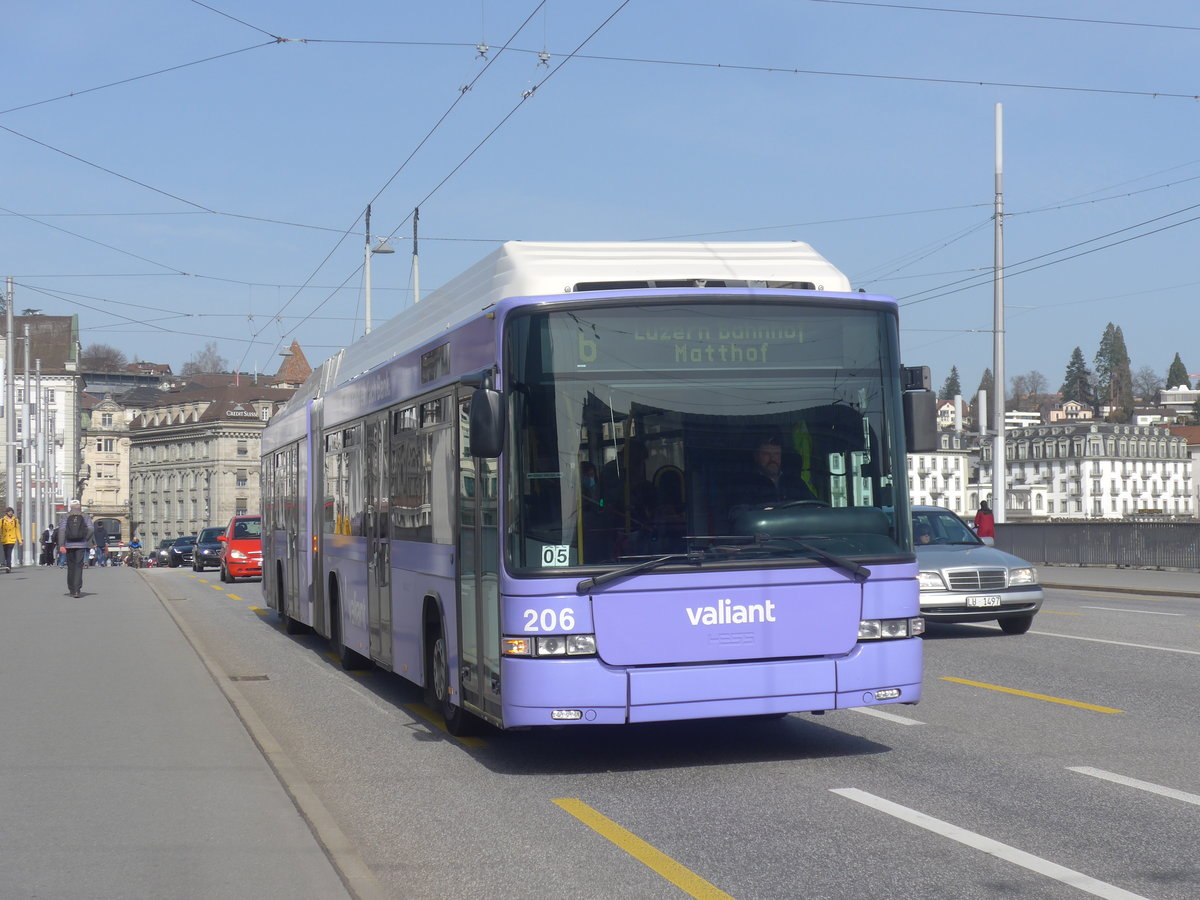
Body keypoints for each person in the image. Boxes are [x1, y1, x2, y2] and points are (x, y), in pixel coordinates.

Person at [738, 435, 817, 507]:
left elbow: (817, 507)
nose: (772, 459)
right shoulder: (746, 486)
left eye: (776, 454)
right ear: (756, 456)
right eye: (766, 454)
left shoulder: (796, 484)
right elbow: (737, 514)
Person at [56, 499, 94, 598]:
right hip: (81, 545)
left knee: (71, 566)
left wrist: (61, 545)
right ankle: (77, 590)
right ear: (79, 506)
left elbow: (62, 530)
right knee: (78, 566)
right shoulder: (85, 516)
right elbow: (90, 528)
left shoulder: (65, 516)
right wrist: (85, 538)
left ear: (70, 507)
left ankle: (72, 589)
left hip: (68, 545)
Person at [0, 507, 22, 573]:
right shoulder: (2, 520)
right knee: (6, 553)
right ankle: (7, 564)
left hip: (12, 539)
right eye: (9, 512)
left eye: (11, 512)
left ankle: (8, 566)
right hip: (4, 539)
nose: (10, 513)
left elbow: (17, 530)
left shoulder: (15, 520)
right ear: (6, 512)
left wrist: (20, 540)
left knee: (9, 552)